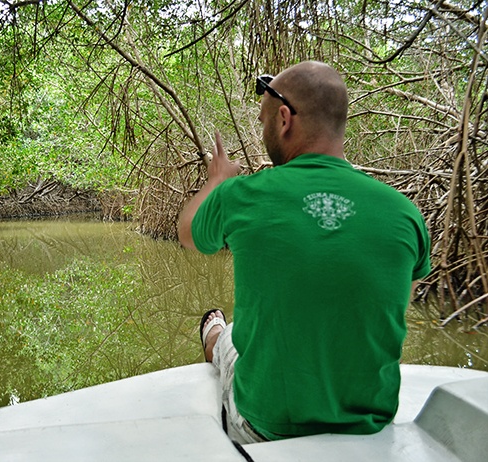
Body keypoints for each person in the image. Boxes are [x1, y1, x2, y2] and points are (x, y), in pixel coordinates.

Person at [177, 61, 431, 444]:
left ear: (284, 119)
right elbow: (391, 308)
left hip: (264, 428)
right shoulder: (405, 213)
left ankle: (212, 336)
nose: (264, 132)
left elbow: (188, 234)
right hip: (371, 427)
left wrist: (216, 181)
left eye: (263, 121)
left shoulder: (242, 195)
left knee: (229, 339)